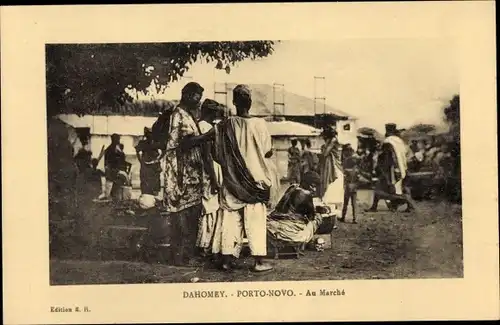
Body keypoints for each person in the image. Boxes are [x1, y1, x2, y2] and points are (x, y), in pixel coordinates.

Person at [182, 85, 277, 272]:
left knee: (230, 221)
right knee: (255, 221)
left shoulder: (224, 126)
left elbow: (216, 153)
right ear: (250, 102)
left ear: (234, 102)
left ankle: (226, 260)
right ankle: (258, 262)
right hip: (255, 182)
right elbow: (268, 151)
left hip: (232, 182)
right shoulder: (260, 124)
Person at [162, 82, 206, 266]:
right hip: (181, 172)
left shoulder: (188, 115)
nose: (199, 101)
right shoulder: (179, 115)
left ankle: (185, 255)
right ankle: (181, 256)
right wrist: (208, 136)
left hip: (191, 172)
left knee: (191, 212)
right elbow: (185, 143)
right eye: (197, 96)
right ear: (187, 95)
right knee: (182, 213)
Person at [267, 171, 326, 254]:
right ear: (306, 184)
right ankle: (304, 243)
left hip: (271, 227)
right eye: (313, 186)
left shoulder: (292, 187)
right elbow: (311, 216)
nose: (314, 189)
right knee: (317, 219)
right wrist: (319, 211)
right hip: (287, 233)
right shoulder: (306, 194)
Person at [195, 98, 224, 258]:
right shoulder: (206, 127)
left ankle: (203, 245)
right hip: (209, 169)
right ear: (209, 111)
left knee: (207, 208)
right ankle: (204, 246)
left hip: (204, 169)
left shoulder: (199, 125)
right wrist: (213, 178)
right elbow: (207, 155)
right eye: (213, 111)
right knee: (210, 208)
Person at [365, 123, 416, 213]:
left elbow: (389, 158)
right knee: (391, 189)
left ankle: (408, 204)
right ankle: (376, 207)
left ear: (388, 131)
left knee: (386, 191)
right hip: (401, 168)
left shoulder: (388, 142)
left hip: (390, 169)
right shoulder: (399, 141)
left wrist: (385, 170)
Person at [318, 127, 344, 209]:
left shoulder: (333, 140)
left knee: (332, 181)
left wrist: (323, 149)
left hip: (333, 164)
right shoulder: (331, 140)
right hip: (330, 163)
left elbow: (325, 153)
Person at [135, 127, 162, 196]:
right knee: (145, 184)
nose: (149, 136)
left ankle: (154, 198)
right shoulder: (143, 143)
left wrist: (158, 158)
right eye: (148, 134)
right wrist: (140, 161)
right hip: (146, 166)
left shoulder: (156, 142)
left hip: (154, 166)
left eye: (151, 134)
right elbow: (137, 150)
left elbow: (164, 149)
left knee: (155, 184)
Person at [339, 144, 359, 224]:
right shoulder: (356, 167)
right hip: (354, 186)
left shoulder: (347, 162)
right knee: (354, 203)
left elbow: (344, 171)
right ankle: (355, 219)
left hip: (348, 185)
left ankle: (343, 217)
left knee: (346, 202)